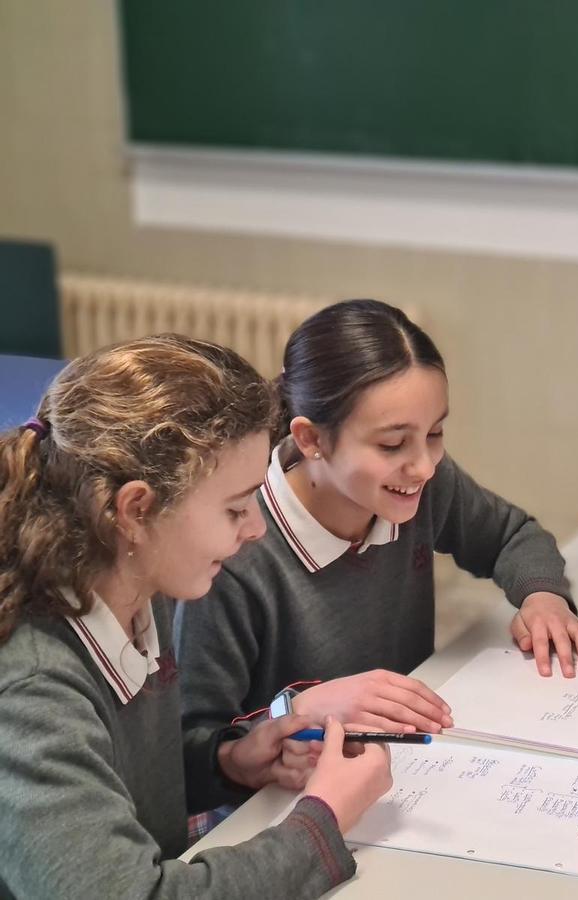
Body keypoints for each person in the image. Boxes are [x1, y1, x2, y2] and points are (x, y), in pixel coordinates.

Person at [0, 335, 392, 899]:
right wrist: (321, 822)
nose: (256, 528)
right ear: (135, 510)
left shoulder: (136, 581)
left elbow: (112, 774)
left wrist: (226, 761)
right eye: (235, 508)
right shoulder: (31, 692)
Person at [176, 299, 578, 784]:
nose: (423, 466)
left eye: (435, 433)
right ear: (311, 440)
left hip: (409, 766)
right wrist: (297, 711)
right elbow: (195, 748)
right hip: (291, 799)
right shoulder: (236, 550)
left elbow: (512, 535)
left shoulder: (420, 485)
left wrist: (543, 598)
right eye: (392, 444)